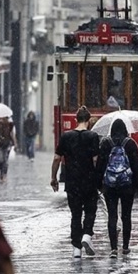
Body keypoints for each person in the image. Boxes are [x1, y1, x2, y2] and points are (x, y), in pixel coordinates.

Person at [51, 106, 100, 258]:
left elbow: (57, 158)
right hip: (89, 181)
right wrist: (99, 179)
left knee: (75, 214)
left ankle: (76, 248)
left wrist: (53, 178)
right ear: (89, 120)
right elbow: (95, 160)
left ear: (76, 119)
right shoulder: (93, 136)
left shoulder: (66, 136)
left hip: (72, 182)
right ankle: (87, 235)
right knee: (90, 210)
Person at [96, 119, 138, 256]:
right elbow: (136, 167)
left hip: (110, 185)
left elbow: (100, 165)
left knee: (112, 216)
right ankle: (125, 246)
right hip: (127, 185)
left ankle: (113, 248)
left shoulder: (106, 143)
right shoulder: (130, 144)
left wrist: (98, 184)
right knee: (126, 216)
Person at [0, 117, 17, 183]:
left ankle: (4, 174)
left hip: (7, 144)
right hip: (0, 144)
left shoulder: (10, 125)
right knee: (0, 159)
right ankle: (1, 172)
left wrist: (15, 143)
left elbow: (12, 134)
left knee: (5, 160)